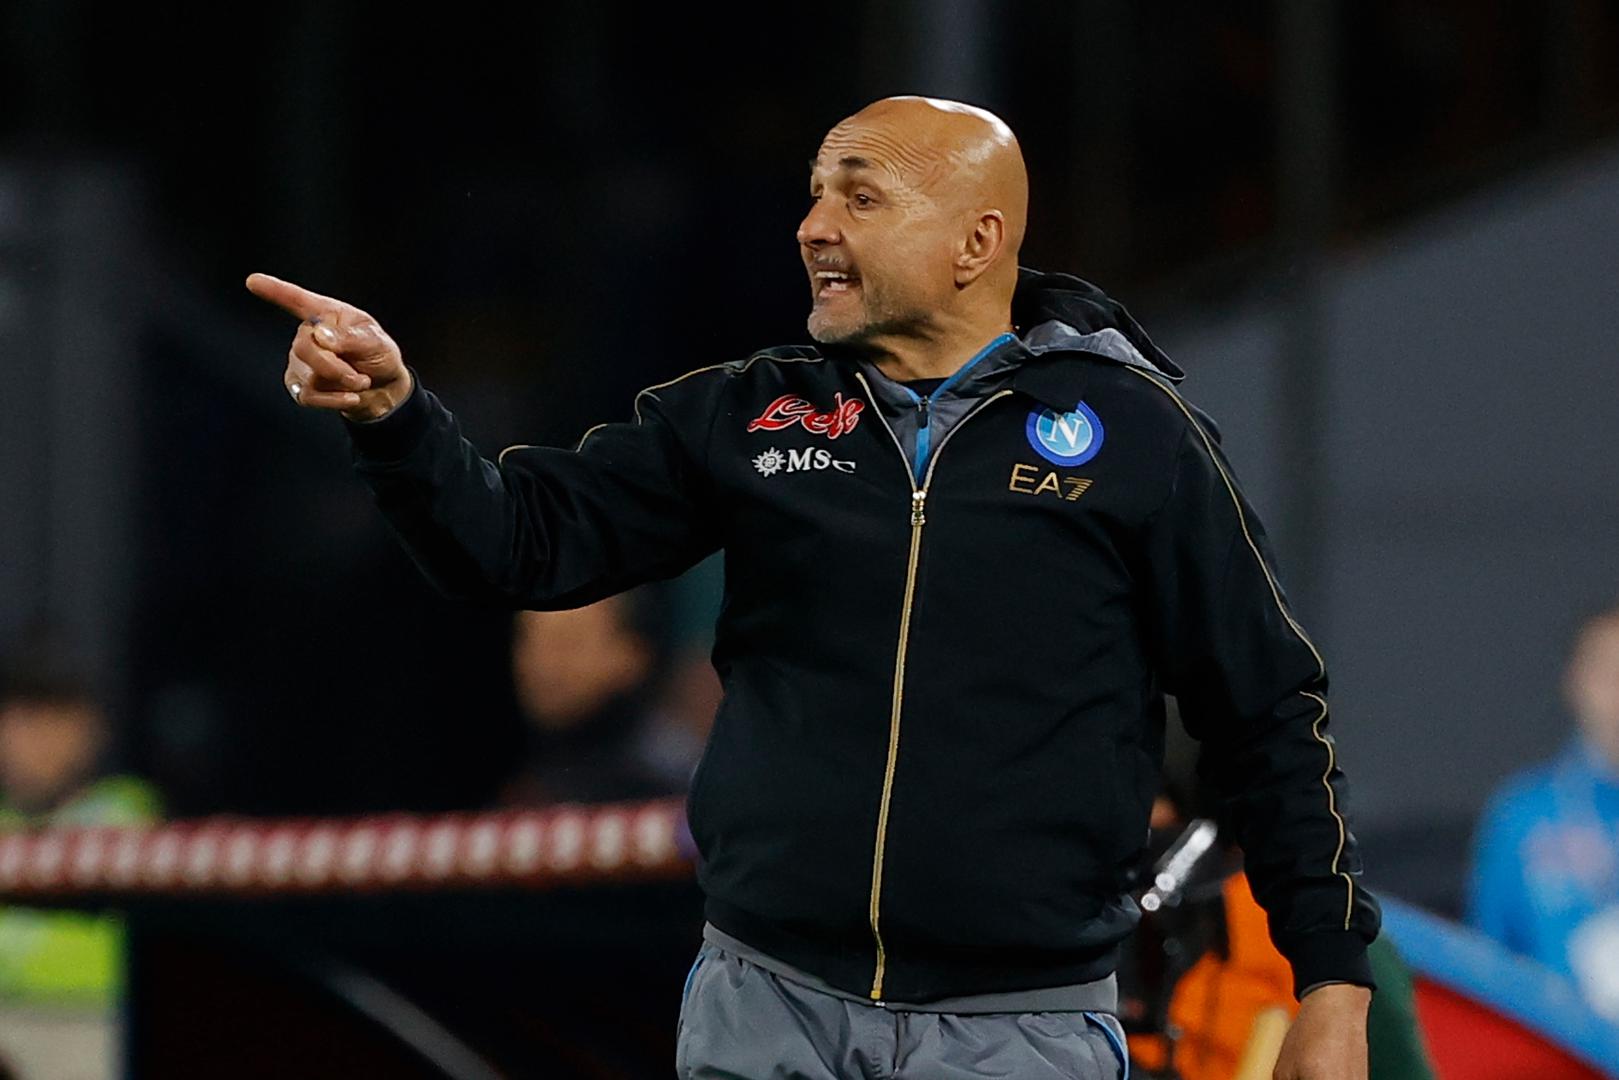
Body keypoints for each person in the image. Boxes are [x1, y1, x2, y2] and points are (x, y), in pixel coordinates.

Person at [246, 95, 1380, 1079]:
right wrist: (395, 419)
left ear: (976, 240)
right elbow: (517, 543)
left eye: (859, 197)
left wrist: (1331, 983)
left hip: (1017, 1031)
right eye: (813, 194)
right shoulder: (748, 415)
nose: (812, 226)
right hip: (765, 1005)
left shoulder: (1136, 436)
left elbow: (1269, 713)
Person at [0, 641, 163, 1078]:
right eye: (22, 720)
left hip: (92, 1025)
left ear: (91, 730)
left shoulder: (125, 809)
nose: (36, 741)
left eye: (55, 720)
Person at [1467, 604, 1619, 1019]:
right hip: (1554, 1046)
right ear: (1575, 680)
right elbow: (1485, 965)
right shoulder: (1522, 815)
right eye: (1607, 671)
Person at [501, 591, 690, 806]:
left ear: (632, 655)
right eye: (528, 640)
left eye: (567, 642)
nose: (542, 663)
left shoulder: (669, 787)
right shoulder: (502, 774)